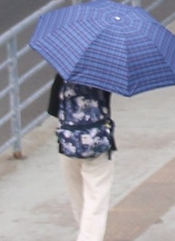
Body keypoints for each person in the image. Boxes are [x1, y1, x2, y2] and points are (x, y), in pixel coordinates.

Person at [48, 74, 116, 241]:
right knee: (96, 200)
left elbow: (53, 109)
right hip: (97, 145)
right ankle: (88, 237)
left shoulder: (63, 74)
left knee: (78, 199)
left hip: (69, 144)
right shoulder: (104, 75)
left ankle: (85, 233)